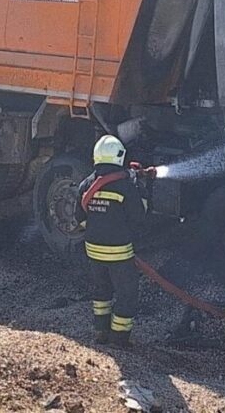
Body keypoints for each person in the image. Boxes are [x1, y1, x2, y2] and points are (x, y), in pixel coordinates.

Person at [75, 135, 146, 347]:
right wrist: (141, 190)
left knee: (102, 293)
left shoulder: (87, 184)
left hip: (93, 251)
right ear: (120, 156)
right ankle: (119, 339)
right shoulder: (125, 187)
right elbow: (139, 218)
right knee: (127, 295)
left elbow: (79, 219)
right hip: (120, 253)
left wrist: (98, 229)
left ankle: (100, 333)